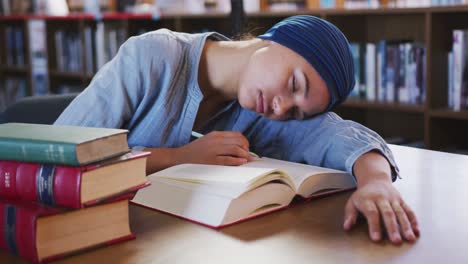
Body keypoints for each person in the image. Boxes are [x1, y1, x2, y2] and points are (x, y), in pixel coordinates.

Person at [55, 15, 419, 244]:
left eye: (295, 114)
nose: (281, 109)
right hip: (76, 234)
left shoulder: (262, 113)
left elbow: (340, 135)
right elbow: (58, 151)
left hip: (160, 243)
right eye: (294, 84)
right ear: (278, 39)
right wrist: (178, 158)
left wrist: (376, 185)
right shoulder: (152, 56)